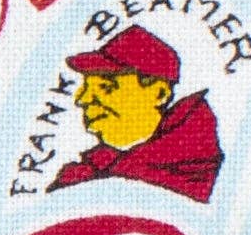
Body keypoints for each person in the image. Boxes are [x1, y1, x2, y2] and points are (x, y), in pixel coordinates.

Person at [53, 20, 222, 205]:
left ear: (159, 93)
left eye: (106, 87)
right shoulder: (85, 174)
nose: (82, 99)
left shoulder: (192, 173)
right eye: (85, 88)